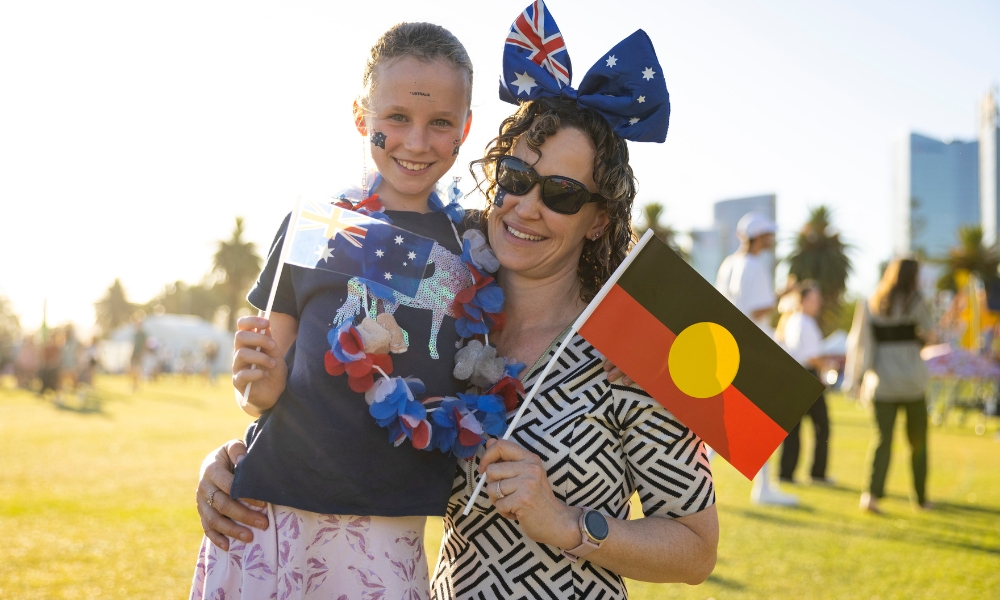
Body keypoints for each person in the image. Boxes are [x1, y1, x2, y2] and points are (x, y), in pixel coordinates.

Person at [196, 13, 719, 597]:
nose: (527, 206)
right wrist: (238, 455)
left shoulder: (637, 342)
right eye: (516, 176)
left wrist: (567, 523)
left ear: (599, 219)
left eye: (563, 193)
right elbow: (327, 334)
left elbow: (696, 551)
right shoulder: (447, 282)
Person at [189, 22, 476, 600]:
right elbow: (259, 392)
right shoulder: (313, 227)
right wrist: (256, 388)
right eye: (396, 118)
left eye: (440, 123)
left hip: (389, 534)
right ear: (359, 115)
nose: (416, 142)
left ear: (464, 129)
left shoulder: (475, 246)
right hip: (269, 518)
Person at [715, 212, 798, 506]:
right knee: (763, 418)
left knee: (724, 419)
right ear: (759, 237)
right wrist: (786, 292)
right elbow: (759, 310)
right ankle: (763, 488)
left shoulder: (728, 264)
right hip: (752, 349)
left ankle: (759, 485)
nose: (772, 239)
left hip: (729, 346)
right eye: (768, 234)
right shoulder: (755, 266)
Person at [845, 258, 935, 513]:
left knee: (881, 441)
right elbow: (932, 335)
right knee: (918, 443)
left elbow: (860, 343)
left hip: (882, 383)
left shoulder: (871, 302)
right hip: (913, 383)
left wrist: (857, 379)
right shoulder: (917, 301)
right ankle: (921, 499)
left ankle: (871, 497)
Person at [775, 280, 833, 485]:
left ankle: (786, 473)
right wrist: (828, 364)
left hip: (794, 377)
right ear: (804, 300)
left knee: (793, 429)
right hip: (807, 376)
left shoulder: (790, 320)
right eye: (815, 299)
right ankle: (817, 473)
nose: (818, 303)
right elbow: (811, 356)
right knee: (822, 427)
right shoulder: (804, 322)